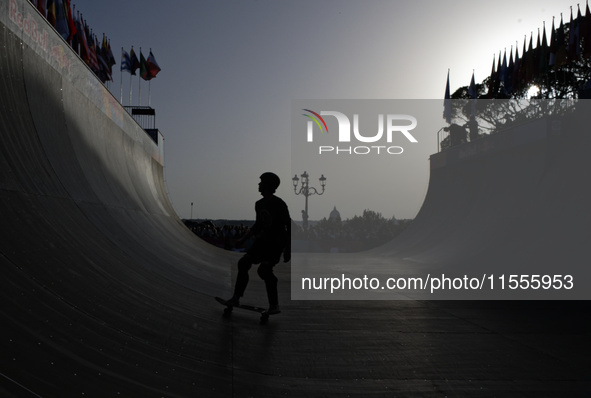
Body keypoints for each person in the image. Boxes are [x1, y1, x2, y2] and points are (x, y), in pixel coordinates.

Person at [225, 172, 291, 314]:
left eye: (261, 183)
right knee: (243, 263)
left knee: (264, 271)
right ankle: (236, 297)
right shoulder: (259, 204)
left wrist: (288, 248)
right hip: (261, 243)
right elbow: (257, 226)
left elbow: (288, 226)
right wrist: (242, 240)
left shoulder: (279, 204)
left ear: (268, 185)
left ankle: (274, 305)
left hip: (275, 244)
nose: (258, 185)